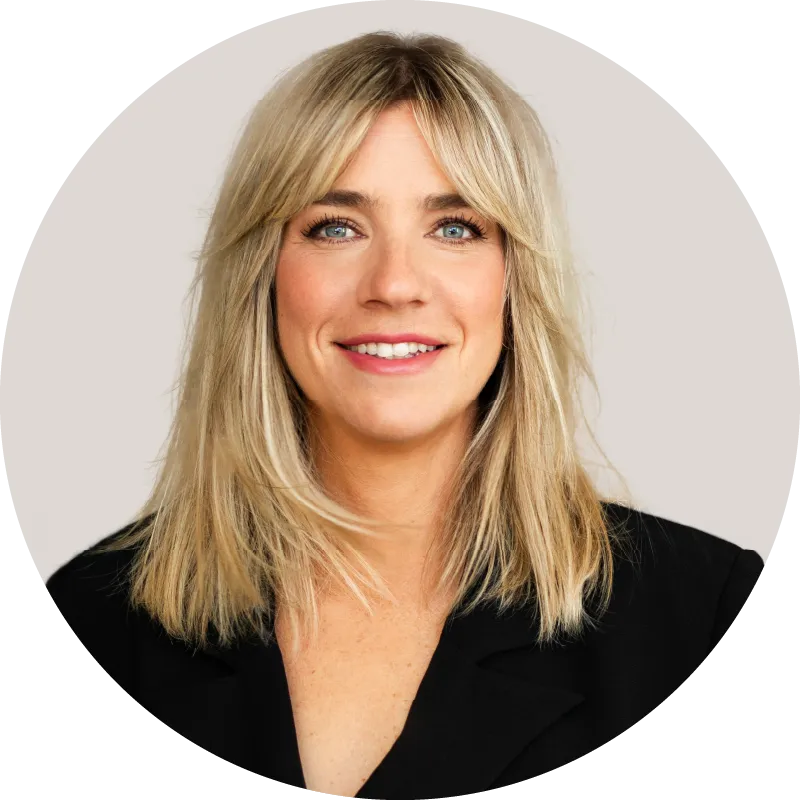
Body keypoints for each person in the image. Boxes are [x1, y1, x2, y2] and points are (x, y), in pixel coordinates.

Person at [46, 31, 764, 800]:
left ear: (514, 280)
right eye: (336, 227)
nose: (394, 284)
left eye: (455, 229)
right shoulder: (85, 623)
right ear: (263, 273)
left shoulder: (711, 619)